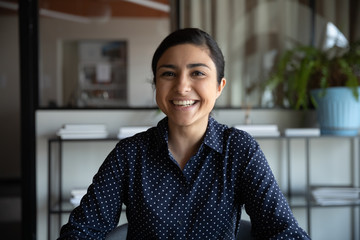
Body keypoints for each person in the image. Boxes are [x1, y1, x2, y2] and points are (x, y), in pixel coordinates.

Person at [59, 28, 310, 239]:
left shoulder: (239, 150)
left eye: (197, 73)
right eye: (168, 74)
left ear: (219, 86)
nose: (181, 86)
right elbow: (81, 232)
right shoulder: (129, 154)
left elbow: (283, 231)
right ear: (156, 85)